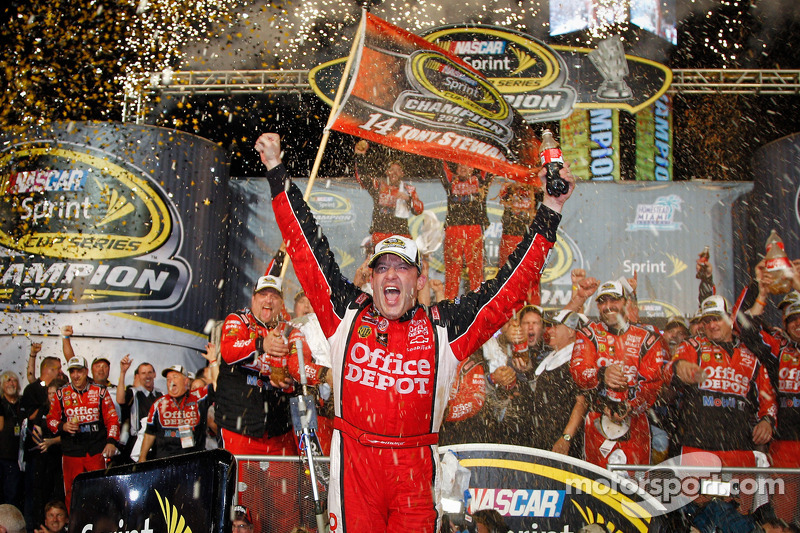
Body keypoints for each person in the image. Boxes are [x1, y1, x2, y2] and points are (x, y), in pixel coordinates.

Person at [256, 131, 574, 532]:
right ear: (371, 280)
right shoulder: (346, 313)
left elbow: (509, 289)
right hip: (355, 466)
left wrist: (551, 206)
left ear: (420, 280)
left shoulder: (444, 327)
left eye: (401, 267)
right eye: (382, 267)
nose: (390, 274)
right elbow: (305, 247)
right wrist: (275, 170)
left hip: (413, 471)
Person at [571, 280, 668, 468]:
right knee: (595, 486)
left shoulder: (647, 338)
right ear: (597, 306)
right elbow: (578, 373)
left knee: (635, 489)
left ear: (627, 302)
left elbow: (652, 384)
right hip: (597, 419)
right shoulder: (589, 334)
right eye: (602, 302)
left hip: (636, 424)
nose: (608, 307)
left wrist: (629, 406)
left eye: (614, 300)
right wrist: (601, 375)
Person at [216, 274, 295, 455]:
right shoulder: (238, 319)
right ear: (253, 299)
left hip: (278, 432)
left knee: (284, 484)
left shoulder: (289, 330)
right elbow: (228, 351)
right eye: (263, 294)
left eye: (274, 296)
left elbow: (300, 368)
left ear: (281, 303)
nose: (268, 299)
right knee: (238, 483)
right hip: (238, 428)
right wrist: (260, 344)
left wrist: (290, 380)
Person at [46, 356, 119, 509]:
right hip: (71, 451)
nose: (76, 375)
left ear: (86, 371)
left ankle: (100, 524)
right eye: (72, 372)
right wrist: (62, 426)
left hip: (95, 451)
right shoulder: (61, 393)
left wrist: (111, 441)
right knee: (72, 492)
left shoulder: (100, 392)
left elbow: (112, 419)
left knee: (100, 489)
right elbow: (50, 420)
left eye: (79, 371)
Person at [529, 310, 588, 458]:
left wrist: (566, 437)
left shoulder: (576, 361)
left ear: (570, 331)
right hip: (543, 438)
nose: (551, 330)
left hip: (561, 443)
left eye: (556, 326)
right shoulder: (552, 357)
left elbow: (581, 402)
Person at [20, 357, 63, 529]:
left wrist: (51, 442)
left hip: (58, 457)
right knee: (38, 494)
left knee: (57, 493)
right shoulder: (44, 409)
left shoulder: (65, 411)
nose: (52, 397)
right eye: (50, 394)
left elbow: (67, 434)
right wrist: (39, 439)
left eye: (55, 393)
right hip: (41, 457)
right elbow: (36, 427)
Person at [439, 162, 492, 299]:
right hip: (453, 228)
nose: (463, 168)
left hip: (474, 227)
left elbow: (488, 161)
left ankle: (477, 301)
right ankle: (449, 303)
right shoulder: (451, 181)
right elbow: (440, 163)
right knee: (452, 270)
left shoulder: (480, 181)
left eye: (468, 165)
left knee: (476, 268)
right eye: (460, 165)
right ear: (456, 168)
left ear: (473, 168)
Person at [353, 140, 424, 244]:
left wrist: (408, 199)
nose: (394, 172)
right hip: (380, 234)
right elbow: (362, 178)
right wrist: (359, 156)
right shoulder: (379, 185)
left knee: (403, 260)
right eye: (391, 169)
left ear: (402, 173)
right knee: (379, 260)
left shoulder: (408, 189)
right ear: (386, 172)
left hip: (402, 234)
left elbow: (419, 210)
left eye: (398, 170)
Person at [138, 365, 211, 461]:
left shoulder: (198, 397)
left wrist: (213, 362)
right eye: (168, 379)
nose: (170, 381)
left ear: (186, 381)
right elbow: (150, 433)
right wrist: (142, 457)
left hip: (193, 460)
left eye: (175, 377)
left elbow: (216, 386)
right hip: (164, 461)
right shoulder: (159, 404)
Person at [116, 358, 162, 462]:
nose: (147, 376)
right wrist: (123, 372)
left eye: (150, 372)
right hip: (136, 443)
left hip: (157, 443)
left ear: (155, 374)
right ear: (138, 376)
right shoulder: (133, 392)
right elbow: (120, 399)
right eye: (143, 373)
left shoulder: (161, 394)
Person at [0, 372, 23, 507]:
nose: (11, 383)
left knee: (14, 495)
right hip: (3, 455)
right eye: (7, 381)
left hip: (18, 458)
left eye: (14, 380)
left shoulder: (23, 402)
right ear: (2, 386)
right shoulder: (1, 403)